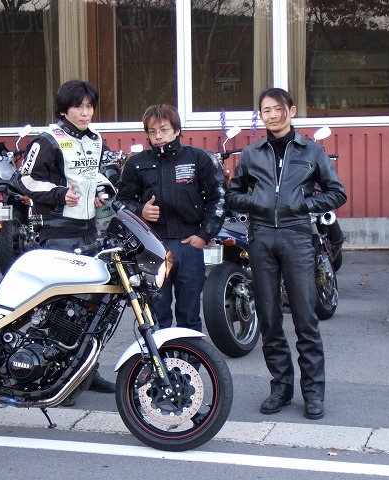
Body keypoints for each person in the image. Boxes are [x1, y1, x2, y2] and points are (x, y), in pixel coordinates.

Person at [225, 87, 347, 420]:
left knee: (306, 319)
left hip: (297, 237)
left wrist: (303, 204)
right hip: (262, 237)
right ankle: (280, 387)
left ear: (291, 111)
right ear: (261, 116)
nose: (272, 115)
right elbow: (233, 195)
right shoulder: (252, 153)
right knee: (269, 318)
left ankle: (313, 393)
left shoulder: (312, 151)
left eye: (278, 109)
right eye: (265, 110)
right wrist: (257, 202)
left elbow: (337, 193)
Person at [17, 79, 115, 402]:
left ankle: (87, 371)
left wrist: (100, 194)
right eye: (78, 107)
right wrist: (60, 194)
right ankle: (58, 379)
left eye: (89, 106)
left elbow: (92, 176)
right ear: (63, 109)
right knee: (63, 308)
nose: (85, 113)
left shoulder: (95, 139)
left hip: (88, 230)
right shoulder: (48, 140)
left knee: (90, 306)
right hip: (57, 232)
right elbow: (25, 179)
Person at [116, 104, 226, 332]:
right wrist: (140, 211)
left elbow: (219, 198)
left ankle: (190, 356)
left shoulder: (198, 159)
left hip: (190, 244)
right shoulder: (136, 164)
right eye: (152, 131)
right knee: (157, 316)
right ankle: (161, 356)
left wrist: (204, 236)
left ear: (177, 130)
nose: (158, 136)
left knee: (189, 316)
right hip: (152, 247)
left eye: (164, 129)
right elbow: (121, 202)